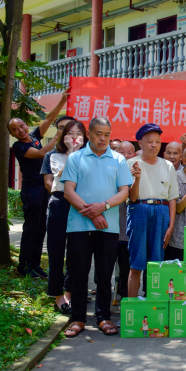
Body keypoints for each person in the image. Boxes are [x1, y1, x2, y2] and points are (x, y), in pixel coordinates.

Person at [61, 117, 133, 338]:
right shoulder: (76, 158)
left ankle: (103, 317)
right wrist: (94, 214)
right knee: (78, 272)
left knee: (105, 273)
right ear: (89, 134)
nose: (103, 139)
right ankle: (78, 318)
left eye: (107, 135)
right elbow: (69, 192)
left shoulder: (118, 160)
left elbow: (124, 192)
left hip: (108, 228)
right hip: (79, 226)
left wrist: (104, 206)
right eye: (98, 134)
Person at [9, 89, 69, 278]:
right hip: (31, 191)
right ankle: (23, 266)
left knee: (41, 228)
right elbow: (42, 154)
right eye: (15, 130)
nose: (20, 130)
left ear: (25, 124)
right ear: (12, 134)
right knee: (31, 229)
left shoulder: (34, 137)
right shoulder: (19, 146)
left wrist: (62, 101)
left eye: (21, 126)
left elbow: (49, 118)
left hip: (44, 188)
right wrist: (57, 137)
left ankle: (35, 265)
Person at [127, 123, 179, 298]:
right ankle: (132, 308)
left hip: (161, 212)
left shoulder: (168, 166)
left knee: (157, 264)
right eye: (149, 141)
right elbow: (132, 197)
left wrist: (171, 226)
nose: (154, 145)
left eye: (157, 141)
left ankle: (154, 307)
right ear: (140, 143)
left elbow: (172, 198)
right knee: (136, 264)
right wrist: (137, 178)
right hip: (138, 209)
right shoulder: (131, 164)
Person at [47, 120, 87, 314]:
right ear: (64, 136)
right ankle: (57, 295)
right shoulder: (55, 156)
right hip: (60, 203)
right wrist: (72, 151)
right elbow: (63, 176)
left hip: (78, 204)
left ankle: (69, 293)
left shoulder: (89, 157)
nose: (74, 137)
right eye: (70, 133)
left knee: (76, 251)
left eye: (78, 134)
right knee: (56, 251)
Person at [114, 141, 136, 300]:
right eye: (122, 152)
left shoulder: (137, 173)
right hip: (110, 228)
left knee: (126, 267)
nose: (126, 156)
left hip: (128, 232)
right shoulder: (111, 171)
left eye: (129, 153)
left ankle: (125, 297)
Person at [41, 116, 76, 194]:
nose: (65, 130)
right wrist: (69, 197)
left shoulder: (86, 152)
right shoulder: (51, 155)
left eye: (68, 127)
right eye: (61, 128)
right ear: (57, 132)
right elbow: (48, 183)